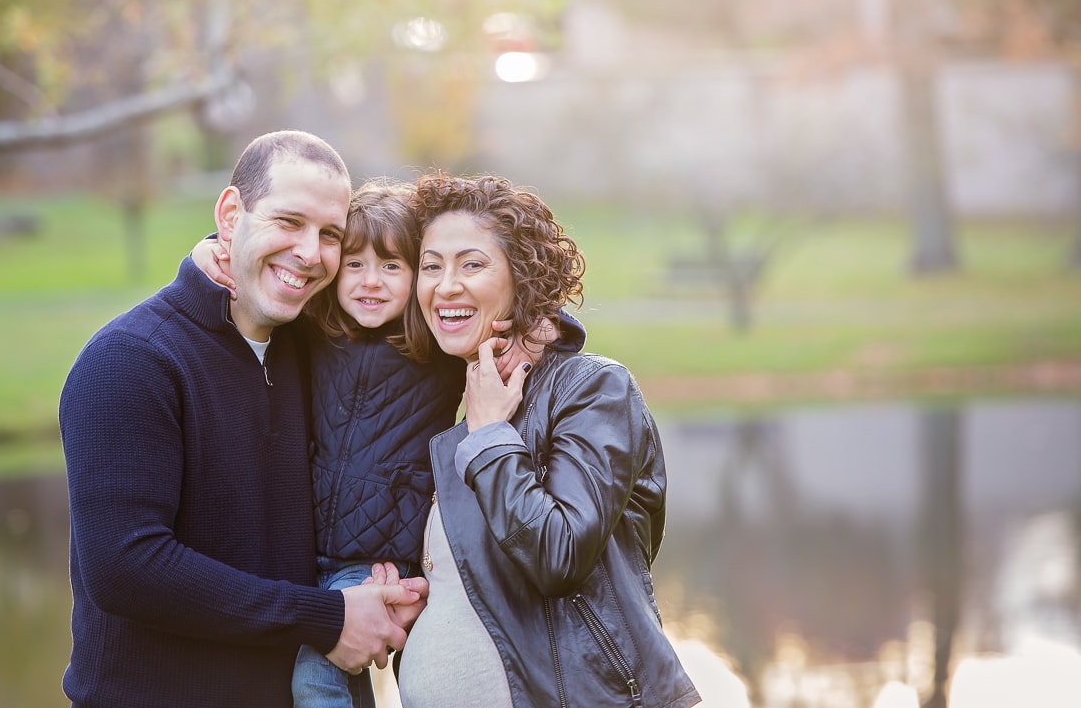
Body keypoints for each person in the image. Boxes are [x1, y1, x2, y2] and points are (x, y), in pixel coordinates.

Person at [58, 130, 427, 708]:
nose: (310, 253)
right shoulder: (129, 361)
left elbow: (448, 288)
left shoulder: (314, 344)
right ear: (231, 214)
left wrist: (381, 583)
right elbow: (125, 568)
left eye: (331, 234)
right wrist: (326, 618)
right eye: (288, 222)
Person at [190, 177, 585, 708]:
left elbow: (538, 318)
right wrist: (205, 251)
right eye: (354, 264)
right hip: (309, 555)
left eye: (392, 266)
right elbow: (272, 269)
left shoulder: (431, 344)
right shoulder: (314, 331)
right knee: (331, 674)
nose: (370, 282)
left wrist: (535, 329)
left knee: (319, 676)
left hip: (383, 557)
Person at [392, 172, 702, 708]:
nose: (445, 286)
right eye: (431, 266)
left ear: (522, 278)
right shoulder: (460, 407)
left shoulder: (593, 389)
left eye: (472, 264)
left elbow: (558, 554)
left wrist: (490, 436)